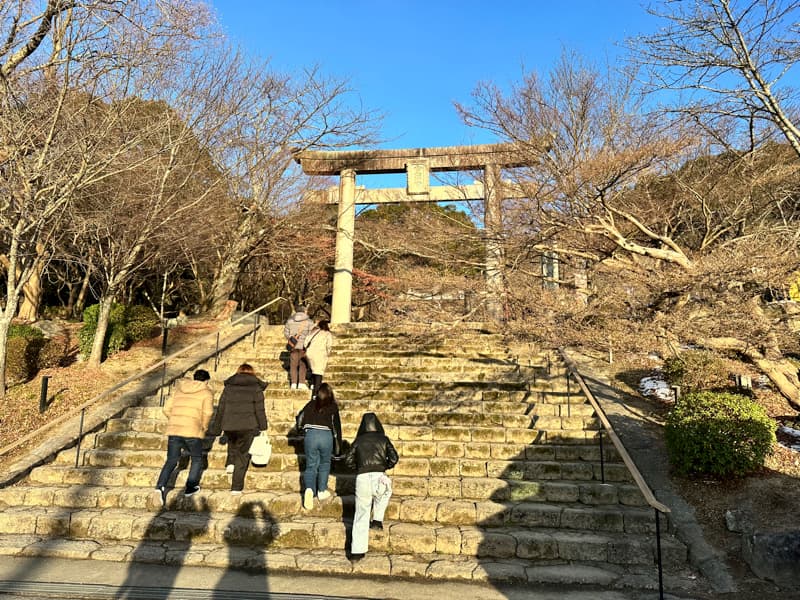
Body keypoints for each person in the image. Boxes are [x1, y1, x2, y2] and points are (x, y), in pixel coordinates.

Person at [155, 369, 214, 506]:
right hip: (193, 429)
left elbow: (166, 409)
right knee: (197, 459)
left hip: (175, 429)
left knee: (171, 460)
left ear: (194, 378)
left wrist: (175, 419)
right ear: (206, 381)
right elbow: (208, 412)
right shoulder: (206, 393)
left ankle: (159, 487)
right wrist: (203, 427)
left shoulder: (179, 390)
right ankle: (190, 487)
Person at [344, 412, 398, 561]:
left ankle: (357, 552)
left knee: (361, 512)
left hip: (362, 478)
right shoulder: (383, 439)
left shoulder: (358, 440)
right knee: (386, 493)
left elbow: (348, 460)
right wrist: (384, 466)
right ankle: (377, 520)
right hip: (379, 476)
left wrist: (358, 468)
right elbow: (394, 458)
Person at [211, 363, 268, 494]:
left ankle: (230, 463)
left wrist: (216, 428)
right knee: (243, 455)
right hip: (248, 424)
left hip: (230, 423)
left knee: (232, 441)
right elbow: (259, 409)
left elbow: (221, 408)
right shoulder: (256, 387)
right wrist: (263, 426)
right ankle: (236, 487)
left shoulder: (229, 387)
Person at [296, 382, 342, 510]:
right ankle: (321, 490)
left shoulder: (310, 404)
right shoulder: (333, 406)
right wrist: (338, 447)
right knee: (325, 464)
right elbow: (337, 427)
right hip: (326, 435)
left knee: (311, 465)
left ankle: (309, 489)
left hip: (310, 435)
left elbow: (300, 418)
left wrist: (301, 430)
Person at [284, 304, 314, 391]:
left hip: (293, 346)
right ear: (304, 311)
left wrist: (291, 339)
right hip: (304, 346)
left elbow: (286, 333)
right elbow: (311, 334)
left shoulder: (290, 321)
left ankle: (293, 383)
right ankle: (301, 383)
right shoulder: (309, 322)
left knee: (293, 365)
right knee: (303, 365)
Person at [303, 319, 333, 395]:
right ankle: (315, 393)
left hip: (310, 353)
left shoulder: (314, 332)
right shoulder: (327, 334)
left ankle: (312, 385)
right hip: (320, 354)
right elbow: (329, 345)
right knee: (318, 372)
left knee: (314, 369)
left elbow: (306, 341)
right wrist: (328, 353)